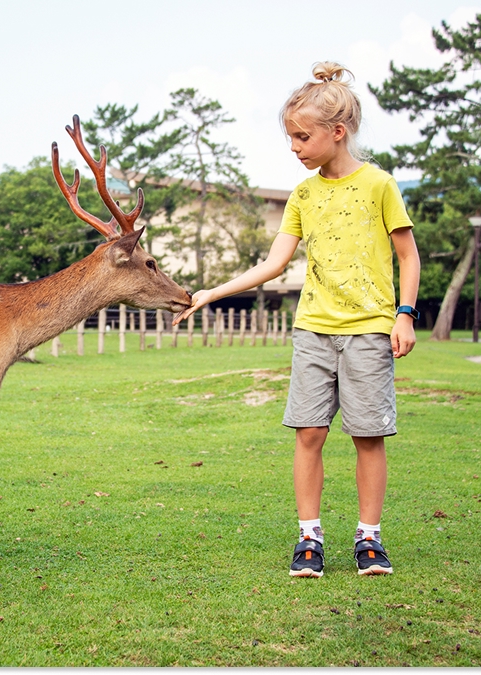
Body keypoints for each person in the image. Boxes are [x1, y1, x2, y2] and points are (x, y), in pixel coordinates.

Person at [173, 61, 420, 577]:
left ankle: (369, 540)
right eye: (290, 137)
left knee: (368, 436)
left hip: (369, 330)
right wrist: (211, 292)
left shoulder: (379, 185)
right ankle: (309, 538)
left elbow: (408, 257)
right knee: (309, 434)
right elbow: (273, 264)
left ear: (338, 131)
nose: (294, 147)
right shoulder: (303, 195)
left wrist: (405, 315)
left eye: (302, 136)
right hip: (313, 331)